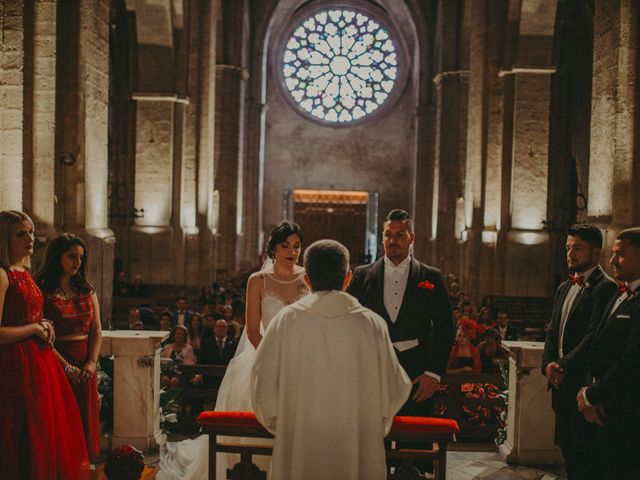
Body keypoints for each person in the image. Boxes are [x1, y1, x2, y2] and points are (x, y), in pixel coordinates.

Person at [158, 221, 309, 480]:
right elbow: (252, 330)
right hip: (264, 358)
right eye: (285, 246)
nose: (291, 251)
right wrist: (274, 361)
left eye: (296, 246)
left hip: (301, 361)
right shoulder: (258, 280)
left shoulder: (307, 277)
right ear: (273, 248)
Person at [252, 239, 411, 479]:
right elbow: (396, 387)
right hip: (355, 443)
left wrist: (285, 423)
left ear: (307, 279)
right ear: (348, 278)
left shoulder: (286, 321)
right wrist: (367, 420)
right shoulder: (371, 324)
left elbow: (262, 381)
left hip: (301, 441)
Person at [347, 209, 454, 475]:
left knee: (414, 448)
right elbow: (351, 325)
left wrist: (433, 373)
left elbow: (444, 328)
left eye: (399, 235)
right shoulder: (361, 275)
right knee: (372, 446)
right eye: (388, 234)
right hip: (372, 371)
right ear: (381, 238)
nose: (393, 240)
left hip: (417, 374)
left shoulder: (431, 276)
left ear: (411, 238)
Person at [0, 210, 90, 479]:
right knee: (19, 435)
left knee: (42, 434)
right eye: (21, 234)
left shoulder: (24, 272)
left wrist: (44, 327)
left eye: (30, 231)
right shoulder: (3, 275)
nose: (30, 238)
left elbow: (32, 319)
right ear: (4, 238)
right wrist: (36, 328)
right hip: (13, 366)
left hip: (39, 366)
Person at [540, 224, 616, 480]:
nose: (571, 254)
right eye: (568, 248)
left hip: (582, 383)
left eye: (578, 248)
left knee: (585, 456)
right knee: (568, 451)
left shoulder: (605, 288)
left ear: (596, 254)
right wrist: (548, 364)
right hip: (560, 384)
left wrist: (562, 366)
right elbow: (552, 332)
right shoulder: (564, 287)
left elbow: (592, 336)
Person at [562, 227, 640, 478]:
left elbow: (631, 361)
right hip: (597, 405)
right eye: (613, 254)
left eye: (621, 255)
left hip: (623, 411)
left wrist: (594, 394)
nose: (612, 260)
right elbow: (597, 347)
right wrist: (588, 392)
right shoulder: (619, 295)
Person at [35, 233, 104, 461]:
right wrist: (65, 367)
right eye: (72, 256)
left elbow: (95, 329)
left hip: (84, 363)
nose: (77, 262)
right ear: (58, 257)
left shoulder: (87, 289)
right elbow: (42, 336)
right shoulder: (42, 291)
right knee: (60, 420)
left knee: (84, 420)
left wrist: (92, 362)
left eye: (81, 257)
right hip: (54, 361)